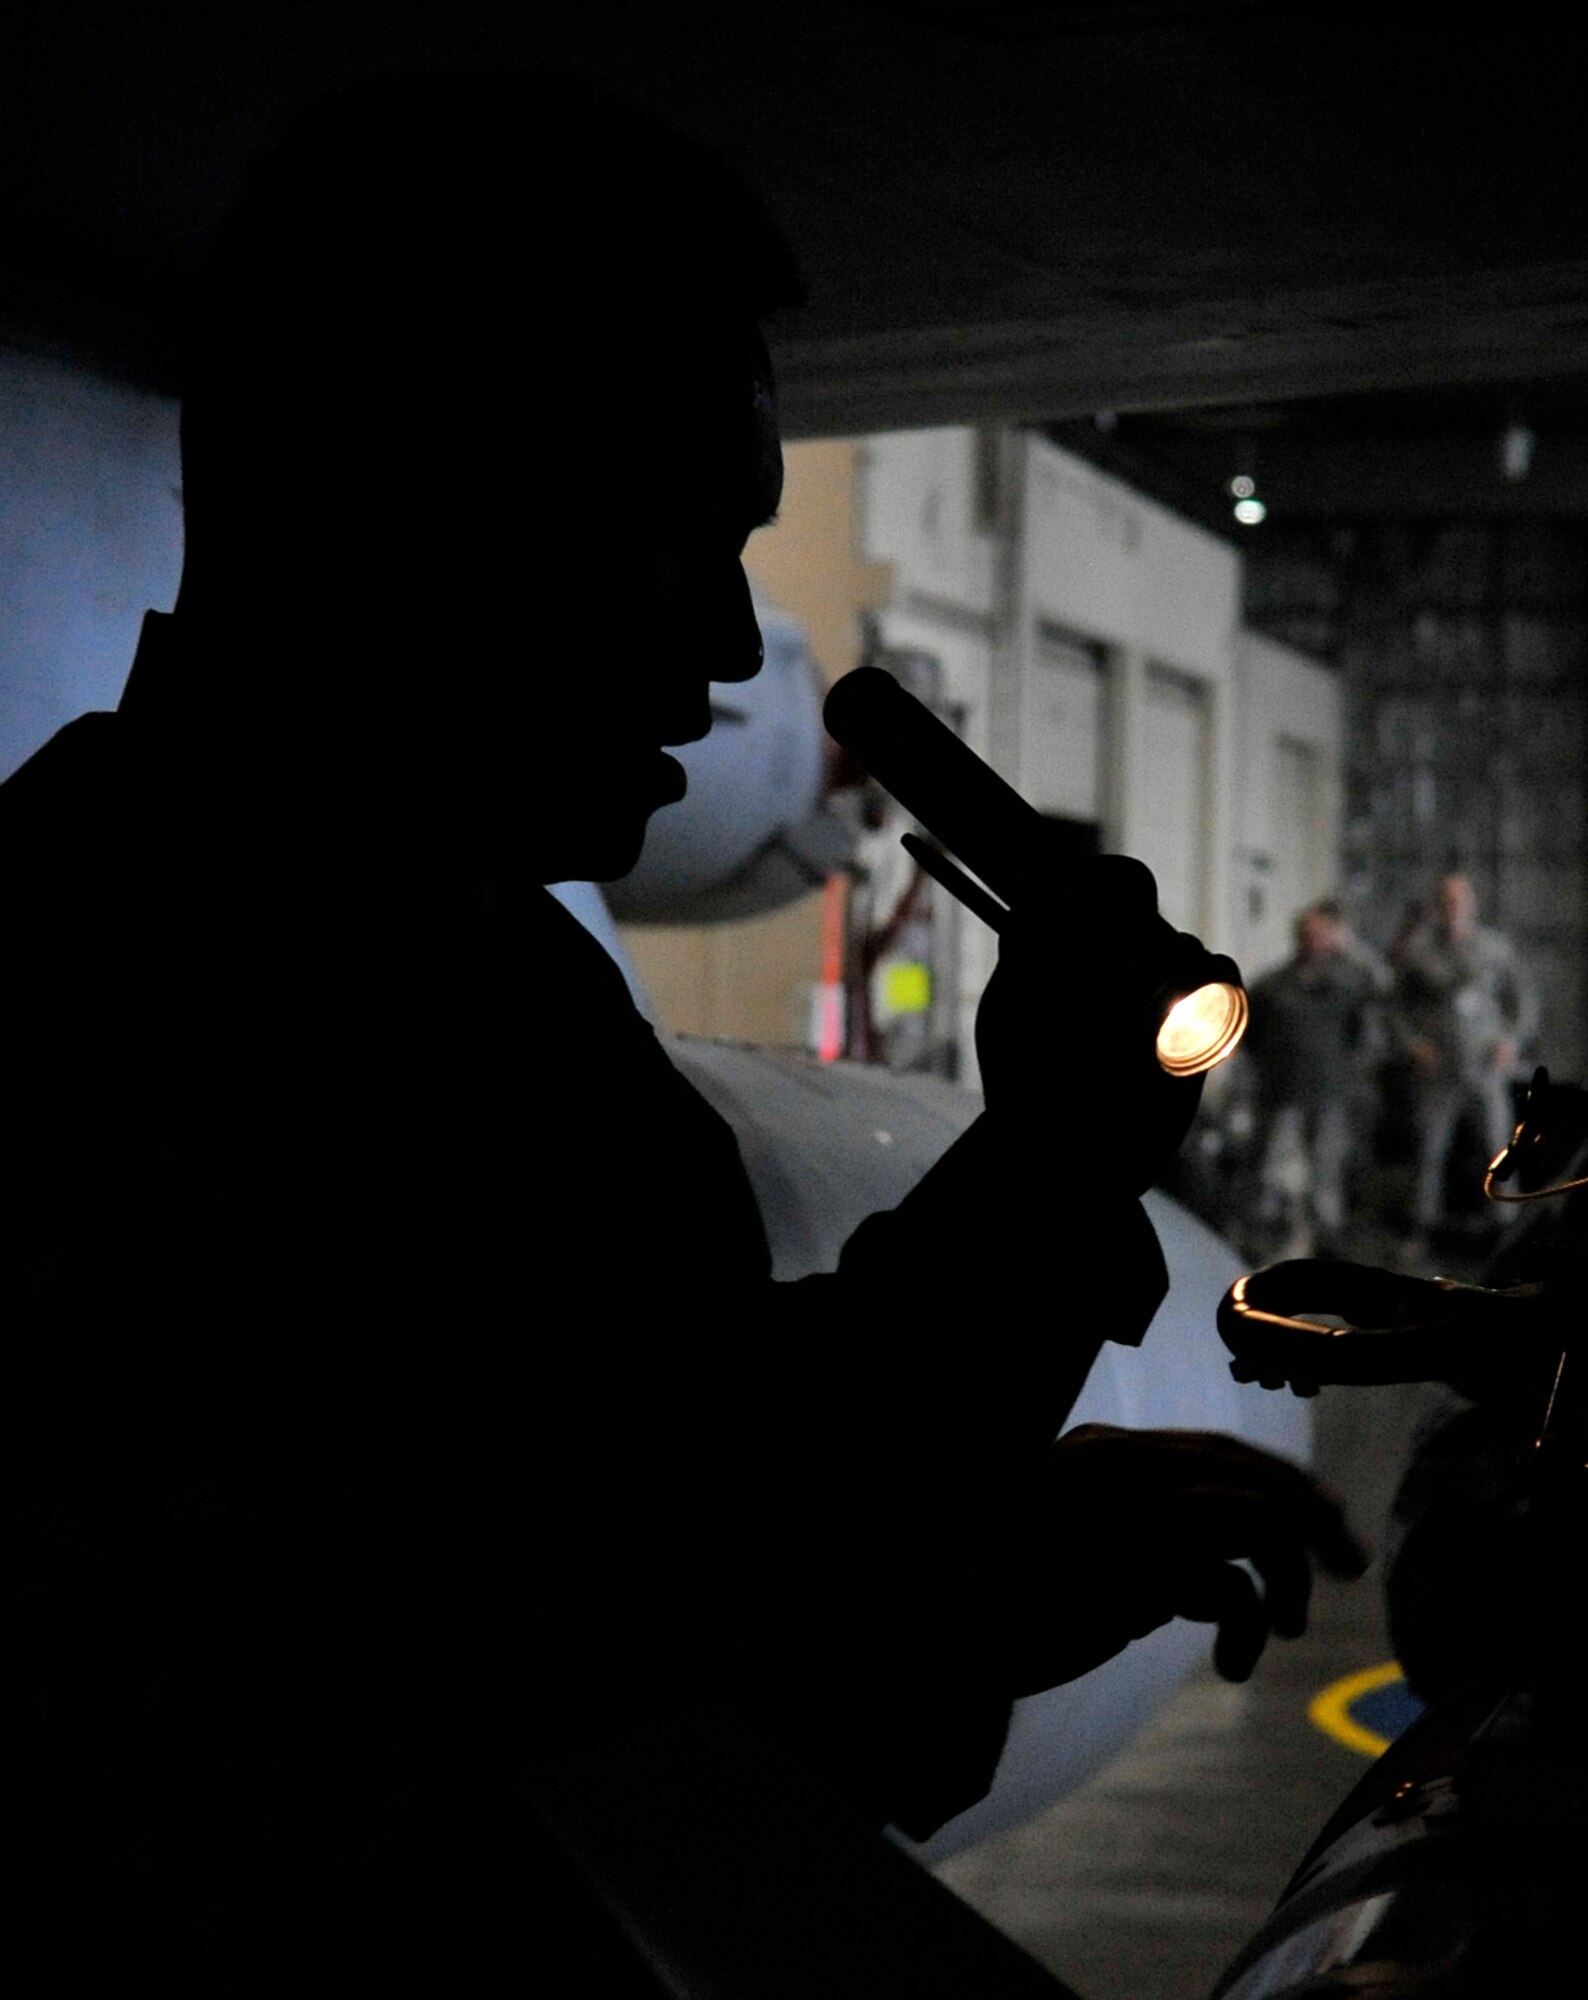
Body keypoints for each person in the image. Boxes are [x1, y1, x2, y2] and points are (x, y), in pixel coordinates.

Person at [1, 73, 1363, 1990]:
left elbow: (626, 1530)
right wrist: (1047, 1166)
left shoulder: (443, 981)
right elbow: (521, 1716)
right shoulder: (137, 1040)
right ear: (426, 498)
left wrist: (970, 1582)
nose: (731, 650)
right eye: (669, 533)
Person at [1393, 872, 1539, 1250]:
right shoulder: (1419, 951)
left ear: (1471, 905)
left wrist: (1511, 1041)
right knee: (1429, 1149)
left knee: (1499, 1147)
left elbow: (1523, 1002)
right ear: (1437, 906)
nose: (1452, 908)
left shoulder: (1495, 949)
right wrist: (1415, 1046)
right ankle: (1420, 1230)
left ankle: (1507, 1232)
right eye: (1445, 900)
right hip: (1439, 1067)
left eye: (1459, 900)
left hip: (1485, 1066)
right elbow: (1395, 1007)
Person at [1244, 899, 1387, 1257]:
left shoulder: (1350, 984)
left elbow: (1371, 1028)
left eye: (1322, 934)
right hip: (1281, 1094)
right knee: (1271, 1173)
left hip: (1330, 1095)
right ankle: (1264, 1239)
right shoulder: (1272, 986)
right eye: (1308, 933)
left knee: (1325, 1176)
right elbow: (1250, 1035)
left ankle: (1328, 1246)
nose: (1314, 940)